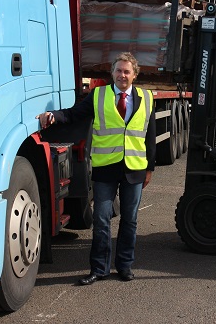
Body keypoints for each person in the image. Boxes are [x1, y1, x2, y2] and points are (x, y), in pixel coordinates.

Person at [37, 52, 155, 285]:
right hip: (106, 168)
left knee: (130, 220)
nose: (122, 75)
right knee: (101, 219)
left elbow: (149, 136)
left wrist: (150, 167)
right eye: (119, 70)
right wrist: (53, 115)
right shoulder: (98, 95)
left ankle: (124, 266)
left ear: (134, 75)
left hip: (135, 168)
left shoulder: (146, 98)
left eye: (127, 71)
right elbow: (74, 114)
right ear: (112, 73)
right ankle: (99, 269)